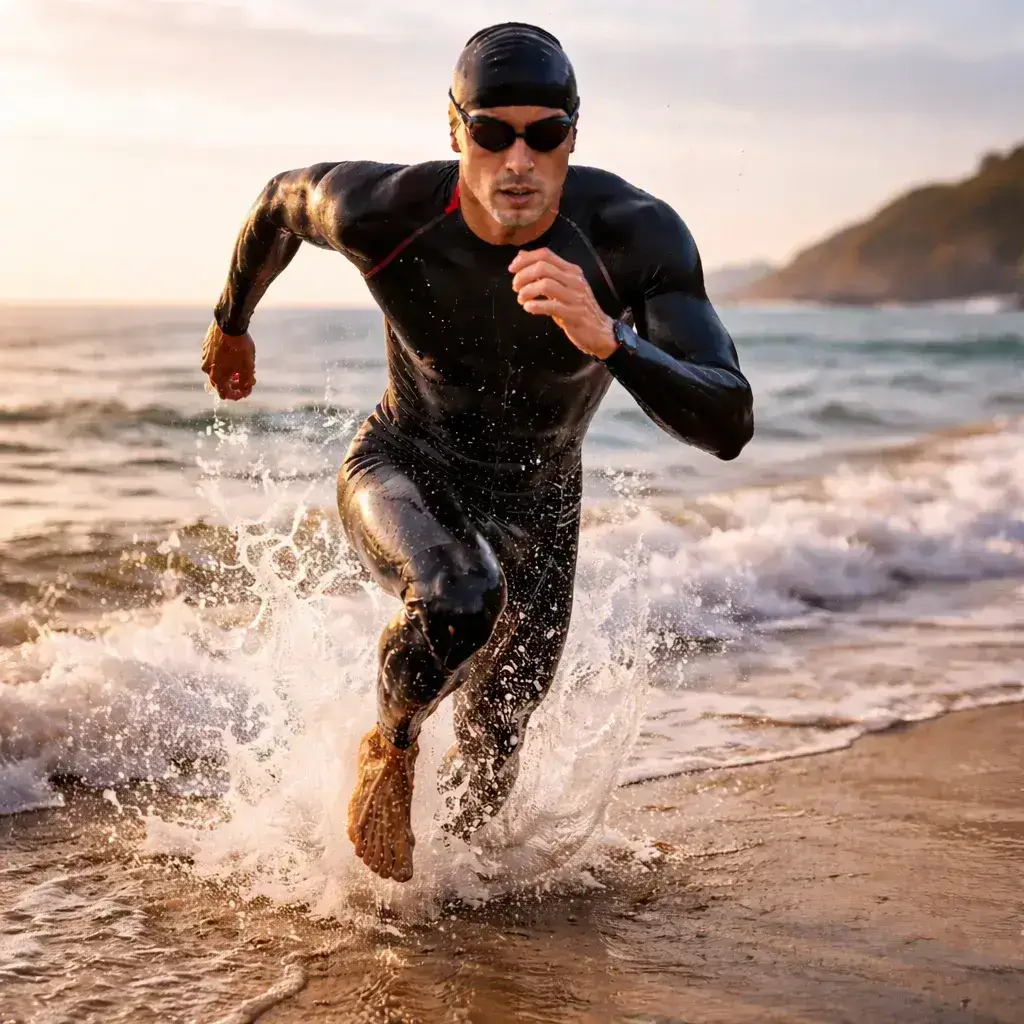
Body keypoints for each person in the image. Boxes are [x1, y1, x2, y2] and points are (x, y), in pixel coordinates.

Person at [200, 22, 754, 883]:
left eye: (545, 134)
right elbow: (280, 201)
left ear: (575, 133)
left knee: (496, 752)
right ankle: (390, 741)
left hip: (542, 505)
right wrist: (231, 324)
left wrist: (609, 339)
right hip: (400, 463)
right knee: (460, 596)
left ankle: (455, 921)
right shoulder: (383, 211)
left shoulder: (633, 239)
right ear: (456, 128)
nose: (518, 161)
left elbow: (729, 422)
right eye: (493, 132)